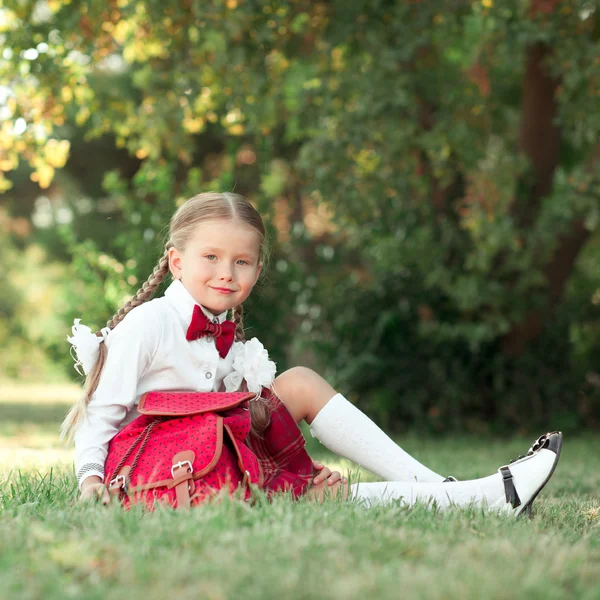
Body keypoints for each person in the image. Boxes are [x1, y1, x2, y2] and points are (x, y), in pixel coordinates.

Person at [62, 191, 562, 515]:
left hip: (215, 447)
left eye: (242, 262)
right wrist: (89, 480)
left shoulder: (225, 331)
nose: (226, 274)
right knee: (306, 491)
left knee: (298, 382)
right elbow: (99, 415)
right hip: (162, 473)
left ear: (258, 270)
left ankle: (445, 491)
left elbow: (225, 412)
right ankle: (470, 500)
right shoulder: (150, 323)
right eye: (210, 258)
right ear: (175, 261)